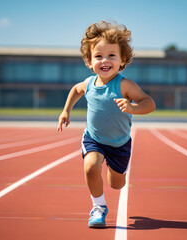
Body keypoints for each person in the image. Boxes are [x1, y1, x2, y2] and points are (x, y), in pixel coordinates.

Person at [57, 20, 155, 228]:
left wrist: (133, 108)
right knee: (91, 167)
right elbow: (75, 90)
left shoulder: (125, 85)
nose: (105, 60)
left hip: (119, 143)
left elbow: (149, 103)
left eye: (112, 55)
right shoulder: (89, 84)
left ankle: (117, 167)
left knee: (117, 184)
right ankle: (99, 207)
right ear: (89, 60)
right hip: (94, 138)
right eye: (98, 56)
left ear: (122, 60)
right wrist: (66, 111)